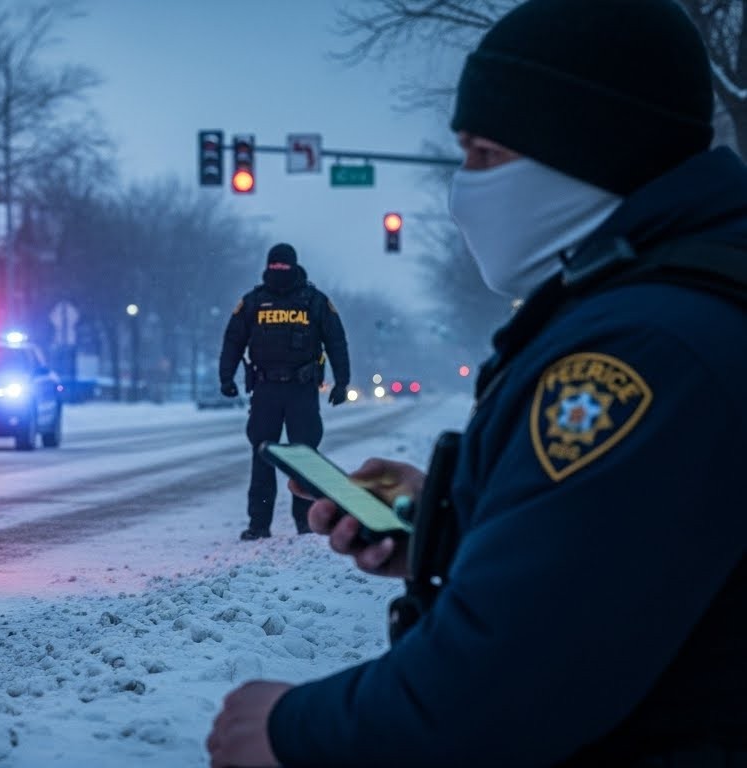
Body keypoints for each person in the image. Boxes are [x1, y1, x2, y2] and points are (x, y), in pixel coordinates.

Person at [207, 0, 747, 764]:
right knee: (274, 462)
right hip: (271, 389)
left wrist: (291, 729)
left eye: (485, 155)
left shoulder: (644, 350)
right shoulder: (666, 302)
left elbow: (513, 680)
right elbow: (626, 555)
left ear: (589, 147)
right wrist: (451, 525)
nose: (464, 187)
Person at [219, 244, 350, 540]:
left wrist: (342, 381)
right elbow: (233, 341)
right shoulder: (253, 302)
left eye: (283, 266)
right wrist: (226, 377)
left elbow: (336, 341)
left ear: (294, 266)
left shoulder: (314, 301)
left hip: (301, 390)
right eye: (274, 266)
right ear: (267, 266)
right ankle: (259, 525)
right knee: (263, 455)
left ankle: (305, 524)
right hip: (265, 390)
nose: (278, 271)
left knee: (303, 458)